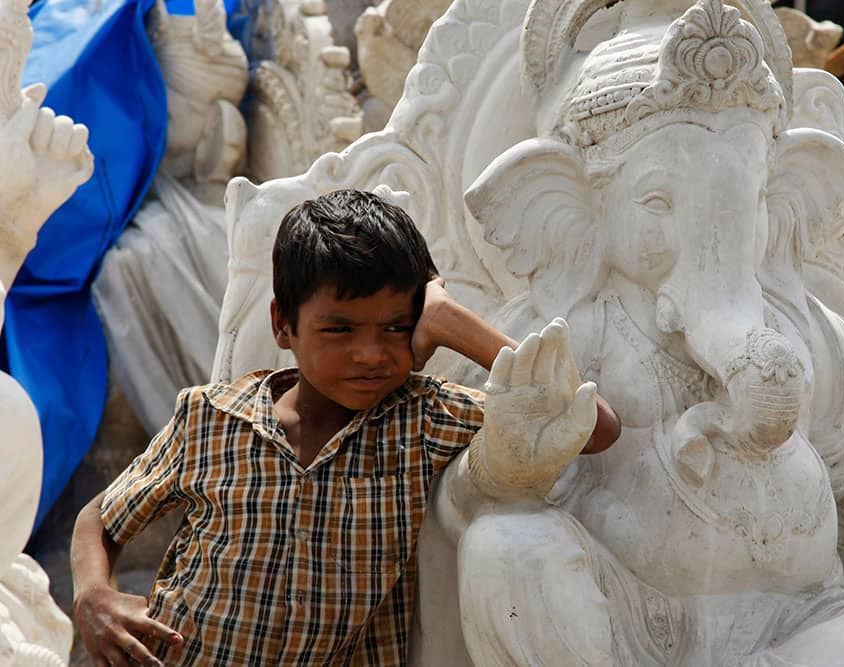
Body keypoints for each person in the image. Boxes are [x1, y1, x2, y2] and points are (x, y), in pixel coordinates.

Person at [69, 189, 621, 666]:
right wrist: (93, 595)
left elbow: (592, 427)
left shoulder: (421, 420)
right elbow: (102, 517)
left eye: (396, 327)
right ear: (283, 324)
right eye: (338, 329)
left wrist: (451, 321)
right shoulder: (211, 416)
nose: (370, 353)